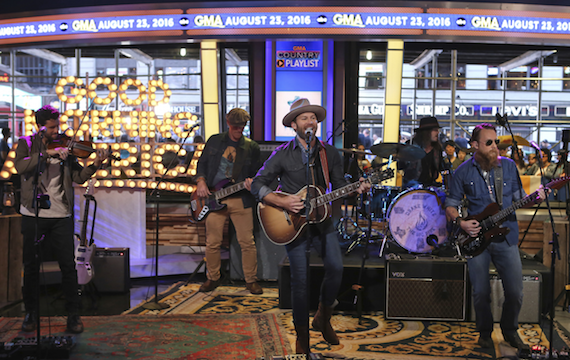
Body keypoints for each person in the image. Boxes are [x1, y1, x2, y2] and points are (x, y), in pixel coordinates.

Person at [251, 98, 369, 354]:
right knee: (300, 282)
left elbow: (338, 187)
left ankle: (323, 316)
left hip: (323, 222)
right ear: (294, 124)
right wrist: (280, 201)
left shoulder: (330, 154)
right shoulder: (282, 153)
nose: (310, 122)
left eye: (313, 118)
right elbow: (257, 184)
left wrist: (355, 189)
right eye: (304, 118)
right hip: (292, 226)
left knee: (336, 268)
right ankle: (302, 336)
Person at [445, 123, 546, 350]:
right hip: (477, 240)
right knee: (480, 292)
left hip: (506, 237)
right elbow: (450, 205)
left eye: (496, 142)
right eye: (489, 143)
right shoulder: (462, 171)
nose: (494, 147)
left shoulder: (508, 168)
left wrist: (536, 197)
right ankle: (484, 333)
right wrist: (461, 222)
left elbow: (521, 197)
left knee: (516, 292)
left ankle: (510, 329)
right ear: (475, 145)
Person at [15, 105, 108, 334]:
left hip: (61, 215)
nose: (57, 131)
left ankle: (73, 315)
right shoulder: (26, 144)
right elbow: (20, 167)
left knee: (68, 266)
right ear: (40, 127)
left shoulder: (66, 148)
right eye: (52, 127)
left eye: (58, 126)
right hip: (33, 214)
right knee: (31, 266)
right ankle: (31, 313)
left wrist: (94, 165)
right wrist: (46, 155)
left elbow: (78, 176)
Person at [195, 108, 262, 295]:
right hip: (214, 198)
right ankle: (212, 278)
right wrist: (201, 181)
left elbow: (258, 173)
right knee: (212, 242)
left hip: (240, 199)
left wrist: (252, 182)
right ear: (228, 123)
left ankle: (251, 280)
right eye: (235, 127)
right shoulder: (215, 141)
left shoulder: (251, 147)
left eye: (242, 127)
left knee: (247, 242)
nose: (238, 130)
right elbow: (202, 164)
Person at [402, 116, 443, 188]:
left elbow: (441, 168)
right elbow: (401, 165)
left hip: (430, 187)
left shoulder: (437, 149)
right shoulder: (411, 146)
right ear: (426, 132)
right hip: (413, 187)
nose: (437, 132)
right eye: (435, 130)